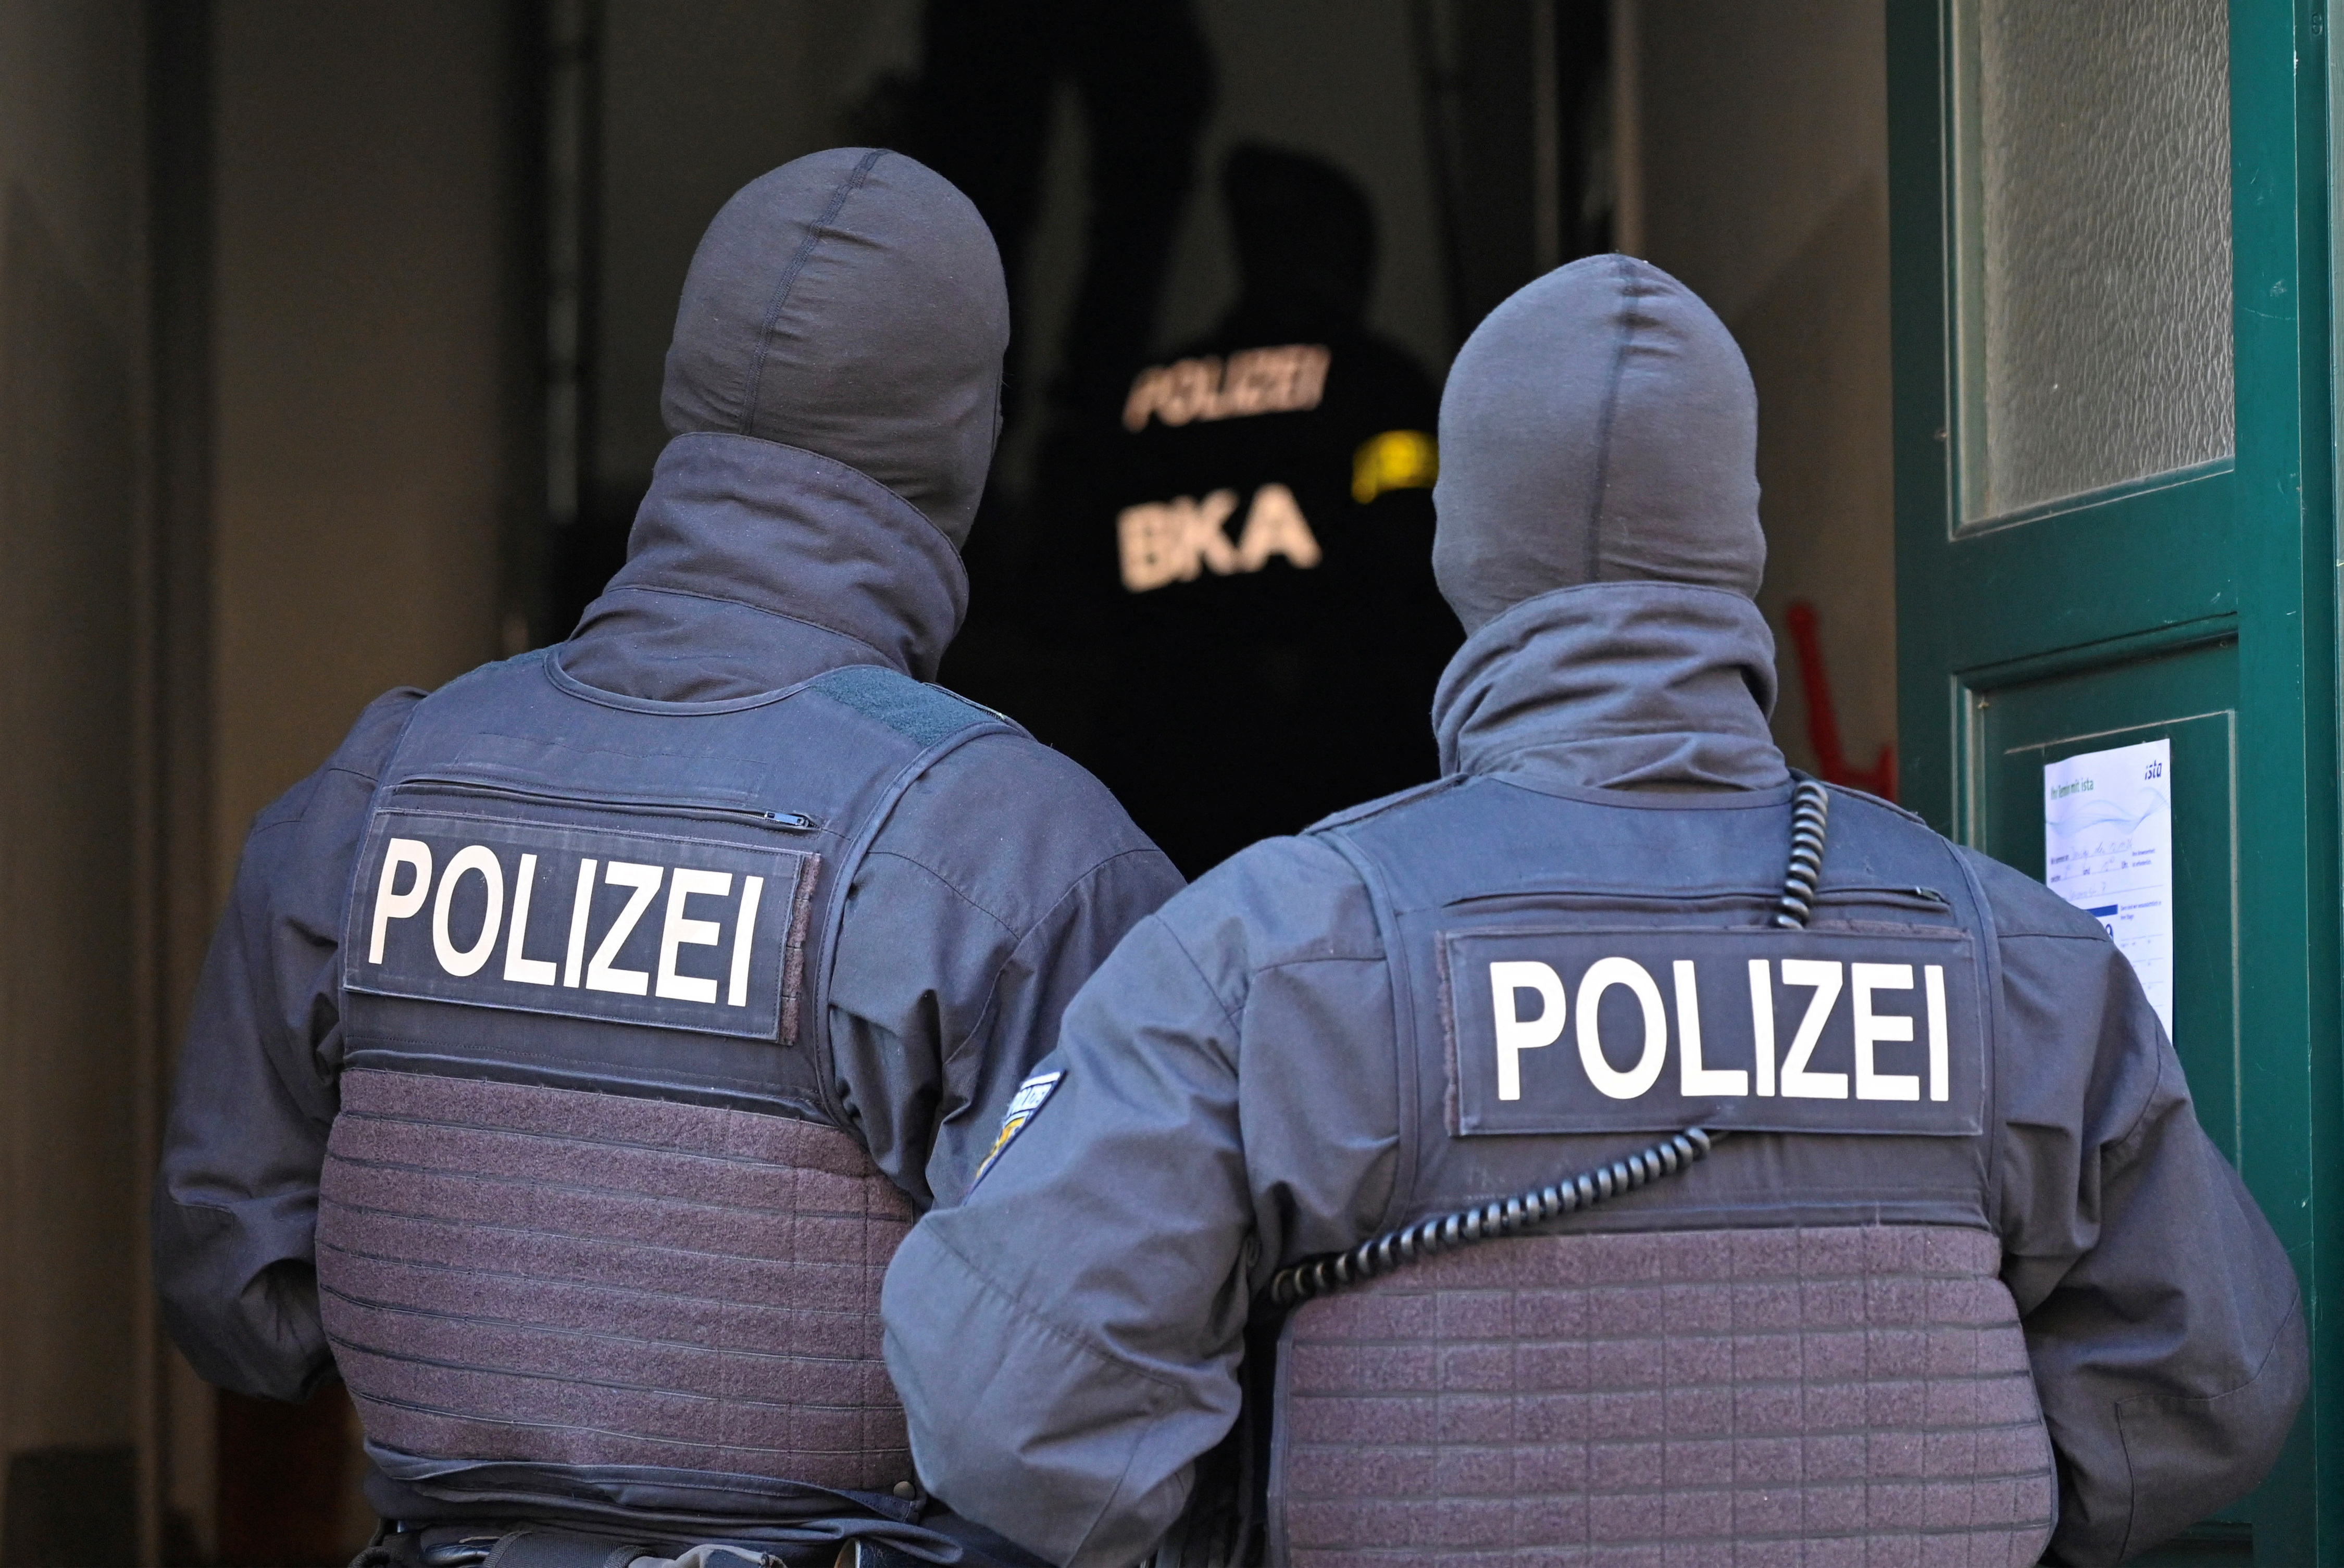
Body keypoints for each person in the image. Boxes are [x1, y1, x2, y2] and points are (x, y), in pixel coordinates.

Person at [880, 256, 2307, 1567]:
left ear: (1465, 552)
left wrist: (1292, 1491)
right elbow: (2209, 1382)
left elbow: (1013, 1404)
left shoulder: (1272, 950)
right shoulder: (2020, 958)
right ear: (1732, 540)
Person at [153, 149, 1185, 1567]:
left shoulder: (373, 789)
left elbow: (238, 1296)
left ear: (687, 388)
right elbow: (1109, 1416)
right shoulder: (1014, 854)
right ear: (962, 433)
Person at [1055, 143, 1454, 875]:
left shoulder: (1148, 393)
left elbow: (1075, 575)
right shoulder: (1377, 383)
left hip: (1161, 757)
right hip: (1343, 761)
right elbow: (1416, 552)